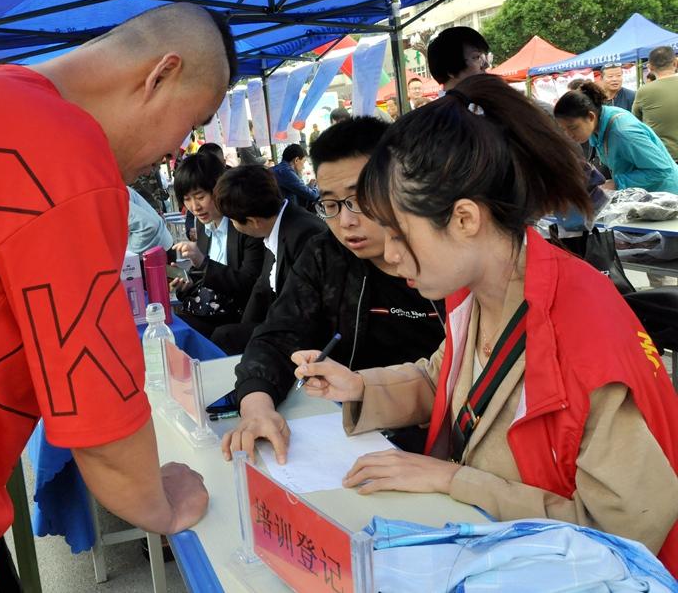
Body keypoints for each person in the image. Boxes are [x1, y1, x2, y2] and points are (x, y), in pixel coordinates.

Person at [0, 3, 235, 592]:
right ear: (161, 75)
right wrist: (157, 501)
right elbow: (93, 395)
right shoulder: (56, 145)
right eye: (191, 121)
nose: (175, 150)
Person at [291, 74, 678, 576]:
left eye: (399, 234)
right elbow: (448, 378)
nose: (390, 255)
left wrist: (453, 481)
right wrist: (359, 386)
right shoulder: (475, 290)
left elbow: (621, 534)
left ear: (465, 219)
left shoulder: (585, 334)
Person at [222, 117, 446, 464]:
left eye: (359, 199)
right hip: (348, 434)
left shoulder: (447, 264)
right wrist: (256, 406)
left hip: (435, 441)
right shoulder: (327, 255)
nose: (346, 222)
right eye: (330, 205)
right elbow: (278, 335)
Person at [210, 165, 327, 354]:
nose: (232, 225)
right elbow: (261, 288)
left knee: (225, 336)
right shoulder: (277, 227)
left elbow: (300, 308)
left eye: (232, 220)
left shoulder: (305, 234)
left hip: (306, 336)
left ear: (253, 221)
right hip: (282, 322)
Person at [172, 152, 264, 339]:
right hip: (211, 311)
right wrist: (188, 285)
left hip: (240, 317)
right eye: (187, 199)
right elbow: (207, 276)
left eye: (200, 196)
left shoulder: (244, 224)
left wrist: (203, 262)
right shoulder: (202, 224)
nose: (194, 207)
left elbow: (250, 285)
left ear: (219, 188)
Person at [554, 81, 678, 193]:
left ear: (591, 117)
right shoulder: (597, 125)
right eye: (563, 129)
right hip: (642, 192)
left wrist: (616, 183)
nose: (569, 135)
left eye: (573, 128)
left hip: (666, 193)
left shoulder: (624, 132)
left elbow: (661, 170)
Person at [633, 46, 678, 163]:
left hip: (662, 157)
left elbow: (635, 122)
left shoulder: (644, 91)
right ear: (675, 62)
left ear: (650, 67)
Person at [126, 186, 173, 254]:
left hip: (155, 250)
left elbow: (148, 227)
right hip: (158, 245)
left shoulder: (111, 196)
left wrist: (127, 253)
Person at [272, 143, 319, 208]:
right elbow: (312, 195)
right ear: (296, 160)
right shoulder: (286, 172)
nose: (303, 167)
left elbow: (299, 190)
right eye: (303, 162)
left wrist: (309, 186)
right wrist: (318, 186)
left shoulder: (280, 169)